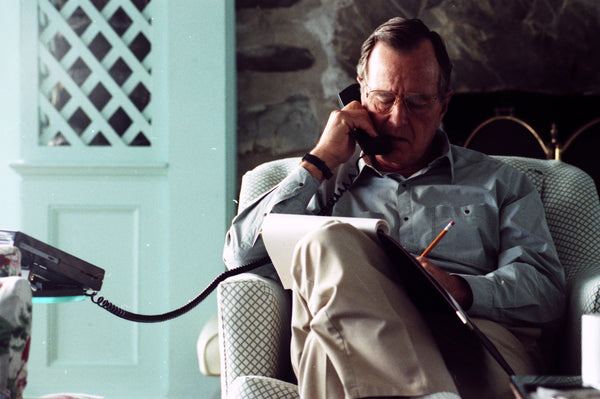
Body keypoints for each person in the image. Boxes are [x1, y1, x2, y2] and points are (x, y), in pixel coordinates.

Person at [223, 17, 566, 399]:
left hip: (471, 342)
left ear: (443, 105)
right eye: (384, 99)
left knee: (324, 349)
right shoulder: (328, 182)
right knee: (327, 243)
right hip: (357, 345)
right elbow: (240, 256)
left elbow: (547, 292)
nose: (399, 118)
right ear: (360, 97)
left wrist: (462, 289)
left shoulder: (502, 182)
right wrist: (319, 161)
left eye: (418, 102)